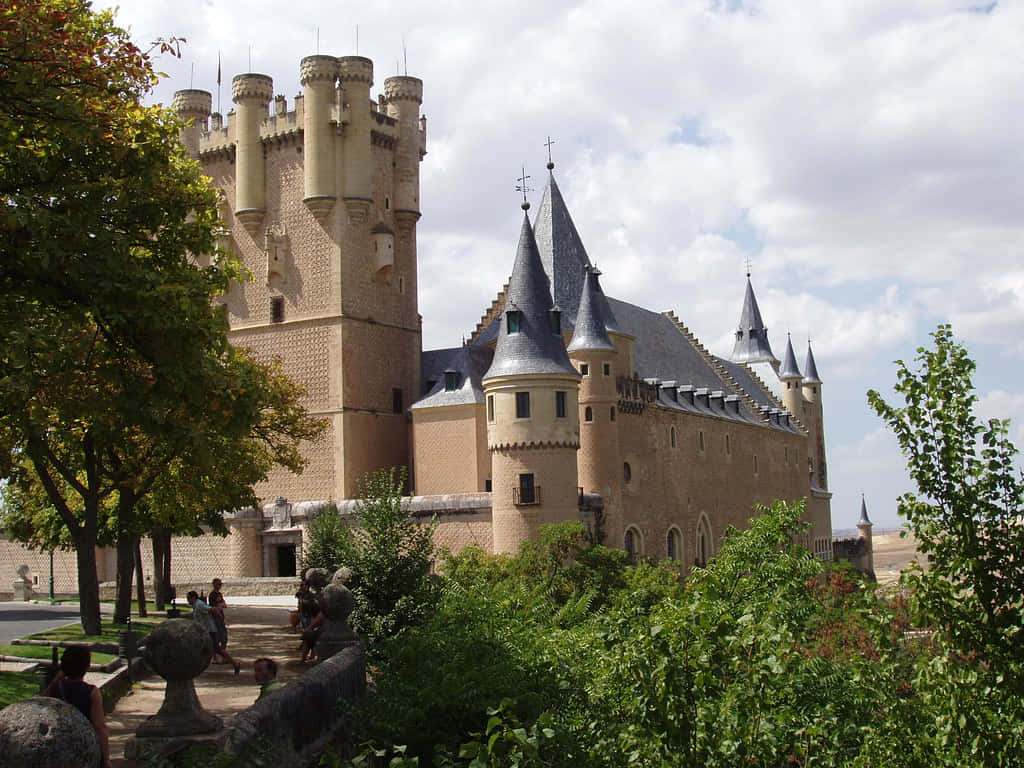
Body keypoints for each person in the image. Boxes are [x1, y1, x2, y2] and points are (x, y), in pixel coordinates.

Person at [44, 646, 112, 768]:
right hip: (84, 746)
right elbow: (99, 726)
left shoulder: (55, 688)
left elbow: (43, 701)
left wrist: (58, 677)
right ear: (87, 667)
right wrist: (106, 759)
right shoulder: (91, 692)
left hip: (60, 746)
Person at [187, 589, 241, 674]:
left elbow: (213, 610)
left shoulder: (199, 605)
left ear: (193, 598)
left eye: (189, 598)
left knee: (217, 649)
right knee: (202, 648)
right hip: (204, 631)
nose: (188, 601)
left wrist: (221, 619)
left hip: (210, 631)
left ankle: (235, 663)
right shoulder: (196, 605)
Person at [208, 577, 229, 660]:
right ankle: (215, 658)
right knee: (217, 638)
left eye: (221, 584)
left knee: (223, 639)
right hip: (216, 618)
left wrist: (220, 606)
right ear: (214, 585)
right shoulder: (213, 595)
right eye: (218, 584)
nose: (220, 586)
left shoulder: (219, 594)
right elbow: (215, 607)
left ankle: (222, 657)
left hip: (220, 617)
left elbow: (224, 605)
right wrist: (221, 617)